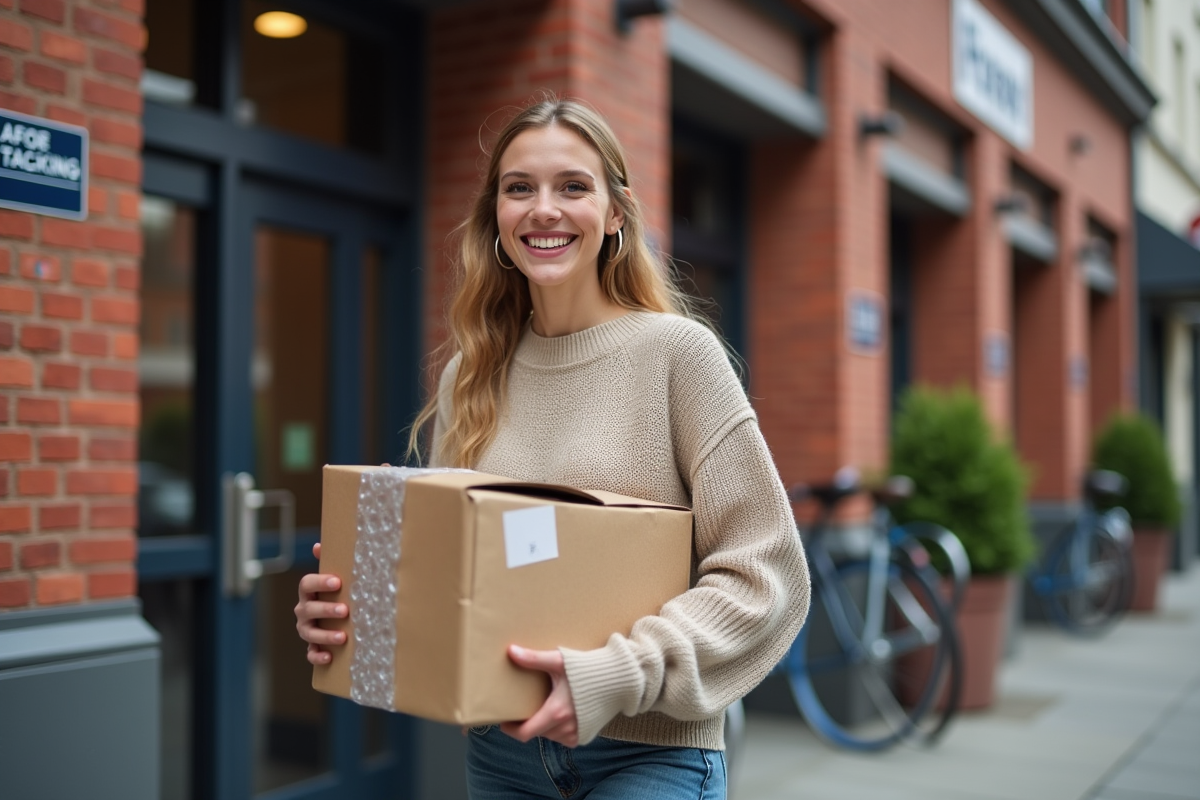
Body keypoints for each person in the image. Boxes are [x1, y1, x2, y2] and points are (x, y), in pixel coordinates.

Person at [295, 97, 809, 799]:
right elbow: (455, 576)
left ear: (616, 213)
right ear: (496, 219)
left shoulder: (676, 357)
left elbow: (767, 573)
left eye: (573, 186)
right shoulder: (470, 376)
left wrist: (617, 675)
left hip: (648, 755)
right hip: (502, 756)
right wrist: (355, 608)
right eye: (519, 188)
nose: (544, 209)